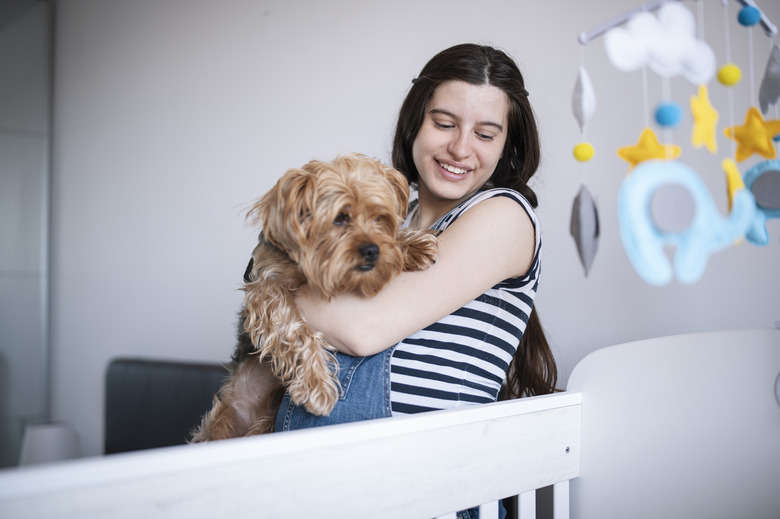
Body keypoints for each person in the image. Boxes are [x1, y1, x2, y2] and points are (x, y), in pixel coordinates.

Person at [275, 43, 557, 434]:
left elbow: (362, 329)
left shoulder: (504, 214)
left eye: (485, 134)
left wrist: (274, 285)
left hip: (426, 476)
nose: (460, 148)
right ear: (414, 124)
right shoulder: (391, 223)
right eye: (443, 124)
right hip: (321, 462)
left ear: (507, 146)